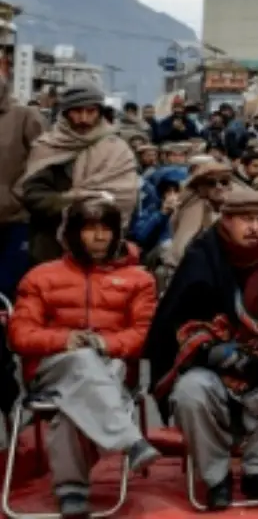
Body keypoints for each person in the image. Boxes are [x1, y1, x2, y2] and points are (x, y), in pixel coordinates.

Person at [147, 189, 258, 510]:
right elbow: (180, 323)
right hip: (211, 364)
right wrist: (215, 350)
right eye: (246, 219)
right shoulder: (201, 257)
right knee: (190, 391)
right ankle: (216, 476)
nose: (254, 228)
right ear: (226, 220)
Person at [8, 197, 160, 518]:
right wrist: (65, 340)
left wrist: (104, 343)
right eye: (90, 229)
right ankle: (130, 441)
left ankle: (71, 490)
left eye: (107, 229)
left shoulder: (139, 280)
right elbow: (19, 335)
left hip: (113, 367)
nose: (100, 236)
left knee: (73, 401)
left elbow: (144, 335)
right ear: (72, 234)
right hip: (53, 368)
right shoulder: (40, 277)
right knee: (80, 361)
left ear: (117, 233)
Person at [18, 84, 138, 265]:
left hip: (104, 248)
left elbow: (127, 196)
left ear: (100, 113)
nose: (84, 118)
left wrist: (96, 206)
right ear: (65, 113)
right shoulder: (47, 147)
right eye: (77, 111)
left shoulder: (118, 150)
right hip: (52, 249)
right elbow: (33, 196)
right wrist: (70, 200)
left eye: (90, 111)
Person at [158, 161, 235, 290]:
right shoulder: (192, 207)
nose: (219, 187)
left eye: (224, 182)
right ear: (201, 188)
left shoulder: (234, 208)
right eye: (211, 183)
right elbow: (182, 251)